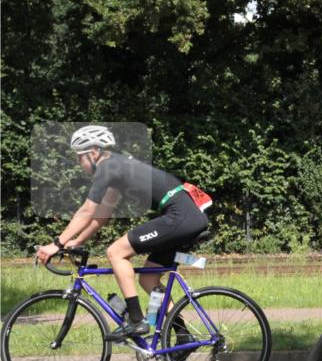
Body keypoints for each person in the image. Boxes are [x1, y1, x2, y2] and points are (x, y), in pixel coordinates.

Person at [36, 125, 212, 342]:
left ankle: (137, 320)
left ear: (93, 153)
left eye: (79, 157)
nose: (78, 163)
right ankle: (184, 336)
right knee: (148, 279)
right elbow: (101, 215)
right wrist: (76, 241)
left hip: (180, 216)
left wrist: (57, 243)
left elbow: (87, 210)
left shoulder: (108, 167)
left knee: (116, 252)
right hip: (184, 215)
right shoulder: (117, 169)